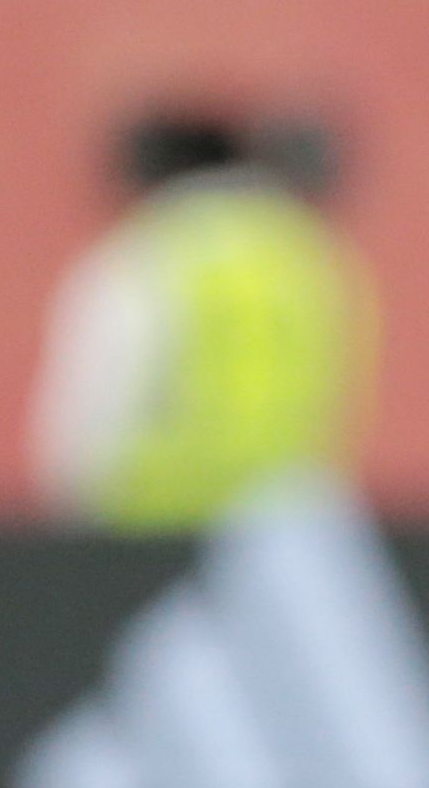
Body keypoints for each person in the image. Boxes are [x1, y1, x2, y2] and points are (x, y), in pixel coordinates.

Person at [29, 109, 373, 531]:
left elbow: (88, 409)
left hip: (149, 529)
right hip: (281, 527)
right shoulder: (308, 258)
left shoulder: (147, 253)